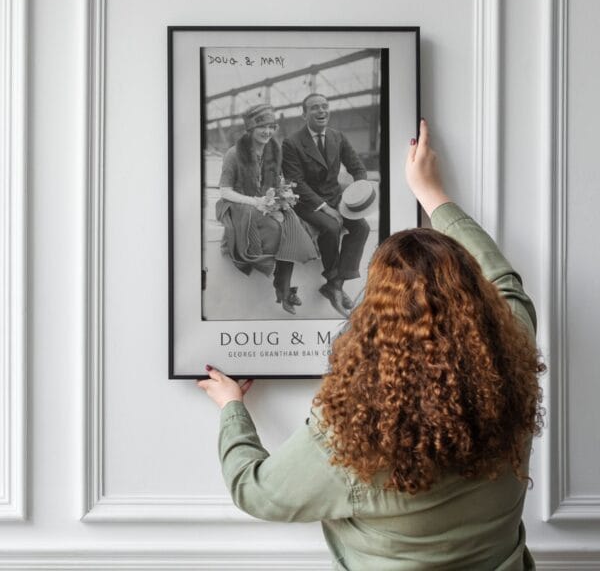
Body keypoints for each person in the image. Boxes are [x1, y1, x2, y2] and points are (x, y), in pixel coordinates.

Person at [199, 120, 544, 570]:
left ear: (374, 320)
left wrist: (231, 408)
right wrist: (433, 193)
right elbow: (504, 280)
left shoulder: (353, 436)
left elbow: (256, 491)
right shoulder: (511, 356)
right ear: (473, 295)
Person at [216, 104, 318, 315]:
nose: (268, 132)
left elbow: (276, 181)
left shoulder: (274, 150)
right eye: (262, 127)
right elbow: (225, 191)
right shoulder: (233, 154)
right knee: (275, 228)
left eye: (271, 127)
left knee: (292, 225)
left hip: (267, 201)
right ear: (250, 129)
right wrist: (255, 202)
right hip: (239, 203)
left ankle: (283, 286)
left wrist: (282, 195)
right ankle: (284, 288)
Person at [282, 93, 371, 317]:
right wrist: (325, 207)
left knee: (362, 227)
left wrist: (358, 192)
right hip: (306, 201)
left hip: (335, 197)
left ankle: (336, 284)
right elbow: (296, 183)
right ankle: (332, 279)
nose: (321, 111)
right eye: (314, 108)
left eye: (325, 106)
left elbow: (357, 167)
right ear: (304, 115)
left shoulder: (337, 137)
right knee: (330, 227)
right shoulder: (291, 143)